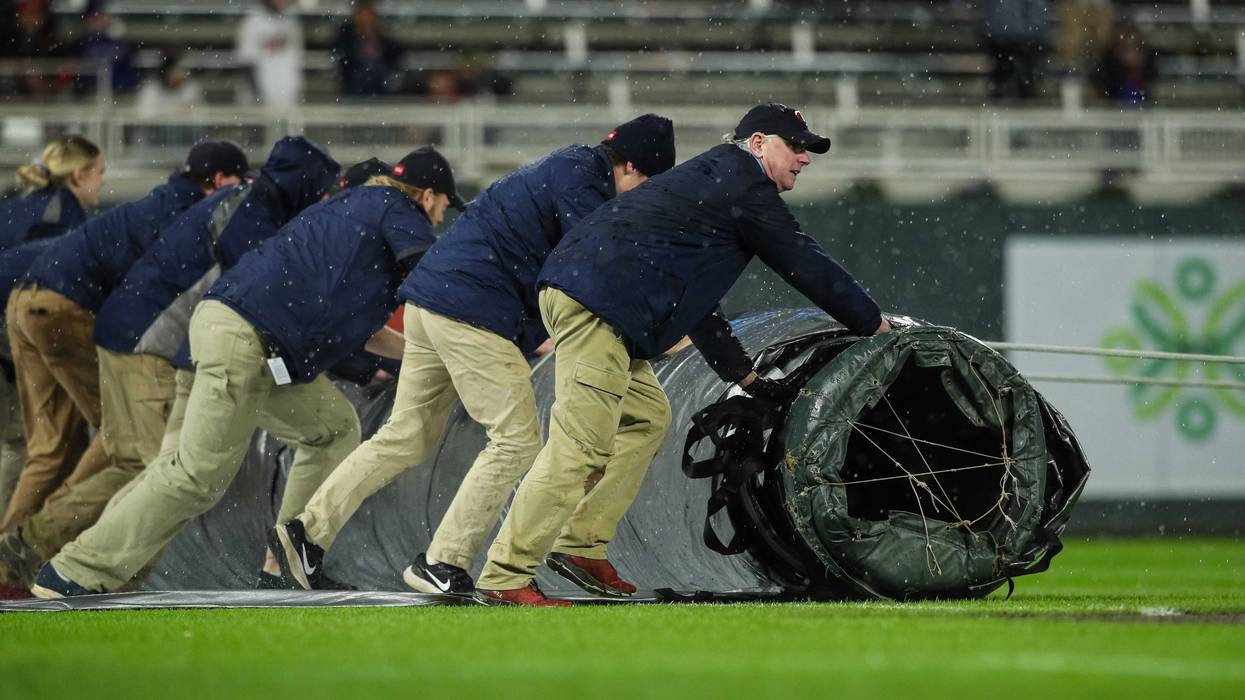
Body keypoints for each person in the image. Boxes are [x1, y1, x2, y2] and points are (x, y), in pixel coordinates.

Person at [474, 103, 892, 606]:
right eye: (796, 146)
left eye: (808, 150)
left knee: (647, 417)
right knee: (579, 445)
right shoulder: (742, 186)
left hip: (597, 299)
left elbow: (697, 303)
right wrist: (875, 326)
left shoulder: (716, 182)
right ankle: (504, 575)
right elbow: (805, 263)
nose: (805, 158)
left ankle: (582, 543)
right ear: (758, 143)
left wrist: (747, 377)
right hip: (599, 304)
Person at [272, 115, 676, 594]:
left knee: (406, 435)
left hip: (430, 302)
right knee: (516, 441)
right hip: (470, 311)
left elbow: (533, 258)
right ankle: (442, 560)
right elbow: (591, 263)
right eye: (648, 182)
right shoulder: (583, 180)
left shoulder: (563, 168)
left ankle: (306, 531)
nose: (642, 196)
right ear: (630, 167)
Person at [31, 147, 458, 598]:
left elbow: (369, 335)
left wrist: (428, 357)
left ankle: (287, 564)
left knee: (332, 428)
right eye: (446, 205)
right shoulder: (399, 208)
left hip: (243, 337)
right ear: (429, 196)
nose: (442, 215)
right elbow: (432, 280)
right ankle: (74, 570)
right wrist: (484, 342)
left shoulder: (345, 217)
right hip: (245, 340)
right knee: (195, 475)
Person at [0, 142, 249, 594]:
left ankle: (13, 560)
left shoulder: (160, 202)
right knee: (129, 449)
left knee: (52, 448)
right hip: (66, 308)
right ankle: (45, 544)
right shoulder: (195, 215)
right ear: (219, 181)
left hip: (26, 302)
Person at [0, 135, 106, 531]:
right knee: (41, 445)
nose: (101, 183)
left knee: (20, 443)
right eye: (99, 173)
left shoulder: (13, 205)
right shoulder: (62, 219)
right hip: (16, 327)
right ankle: (17, 549)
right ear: (79, 175)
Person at [235, 0, 303, 109]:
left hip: (287, 94)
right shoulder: (252, 21)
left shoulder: (291, 22)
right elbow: (246, 62)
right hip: (259, 96)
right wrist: (256, 96)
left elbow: (296, 59)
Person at [333, 0, 402, 97]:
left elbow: (396, 54)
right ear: (356, 16)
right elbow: (343, 57)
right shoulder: (346, 35)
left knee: (380, 78)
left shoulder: (382, 34)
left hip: (380, 78)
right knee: (362, 78)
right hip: (355, 78)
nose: (366, 19)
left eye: (369, 15)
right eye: (363, 15)